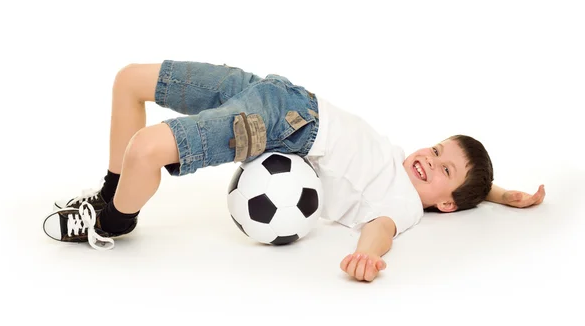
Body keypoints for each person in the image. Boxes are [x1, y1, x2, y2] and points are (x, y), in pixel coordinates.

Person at [42, 60, 546, 282]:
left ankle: (112, 222)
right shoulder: (398, 159)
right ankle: (108, 193)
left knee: (145, 149)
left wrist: (366, 259)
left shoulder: (403, 201)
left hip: (282, 125)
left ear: (446, 203)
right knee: (129, 80)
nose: (428, 160)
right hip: (275, 90)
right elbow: (462, 184)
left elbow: (381, 230)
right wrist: (498, 193)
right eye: (435, 149)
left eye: (442, 169)